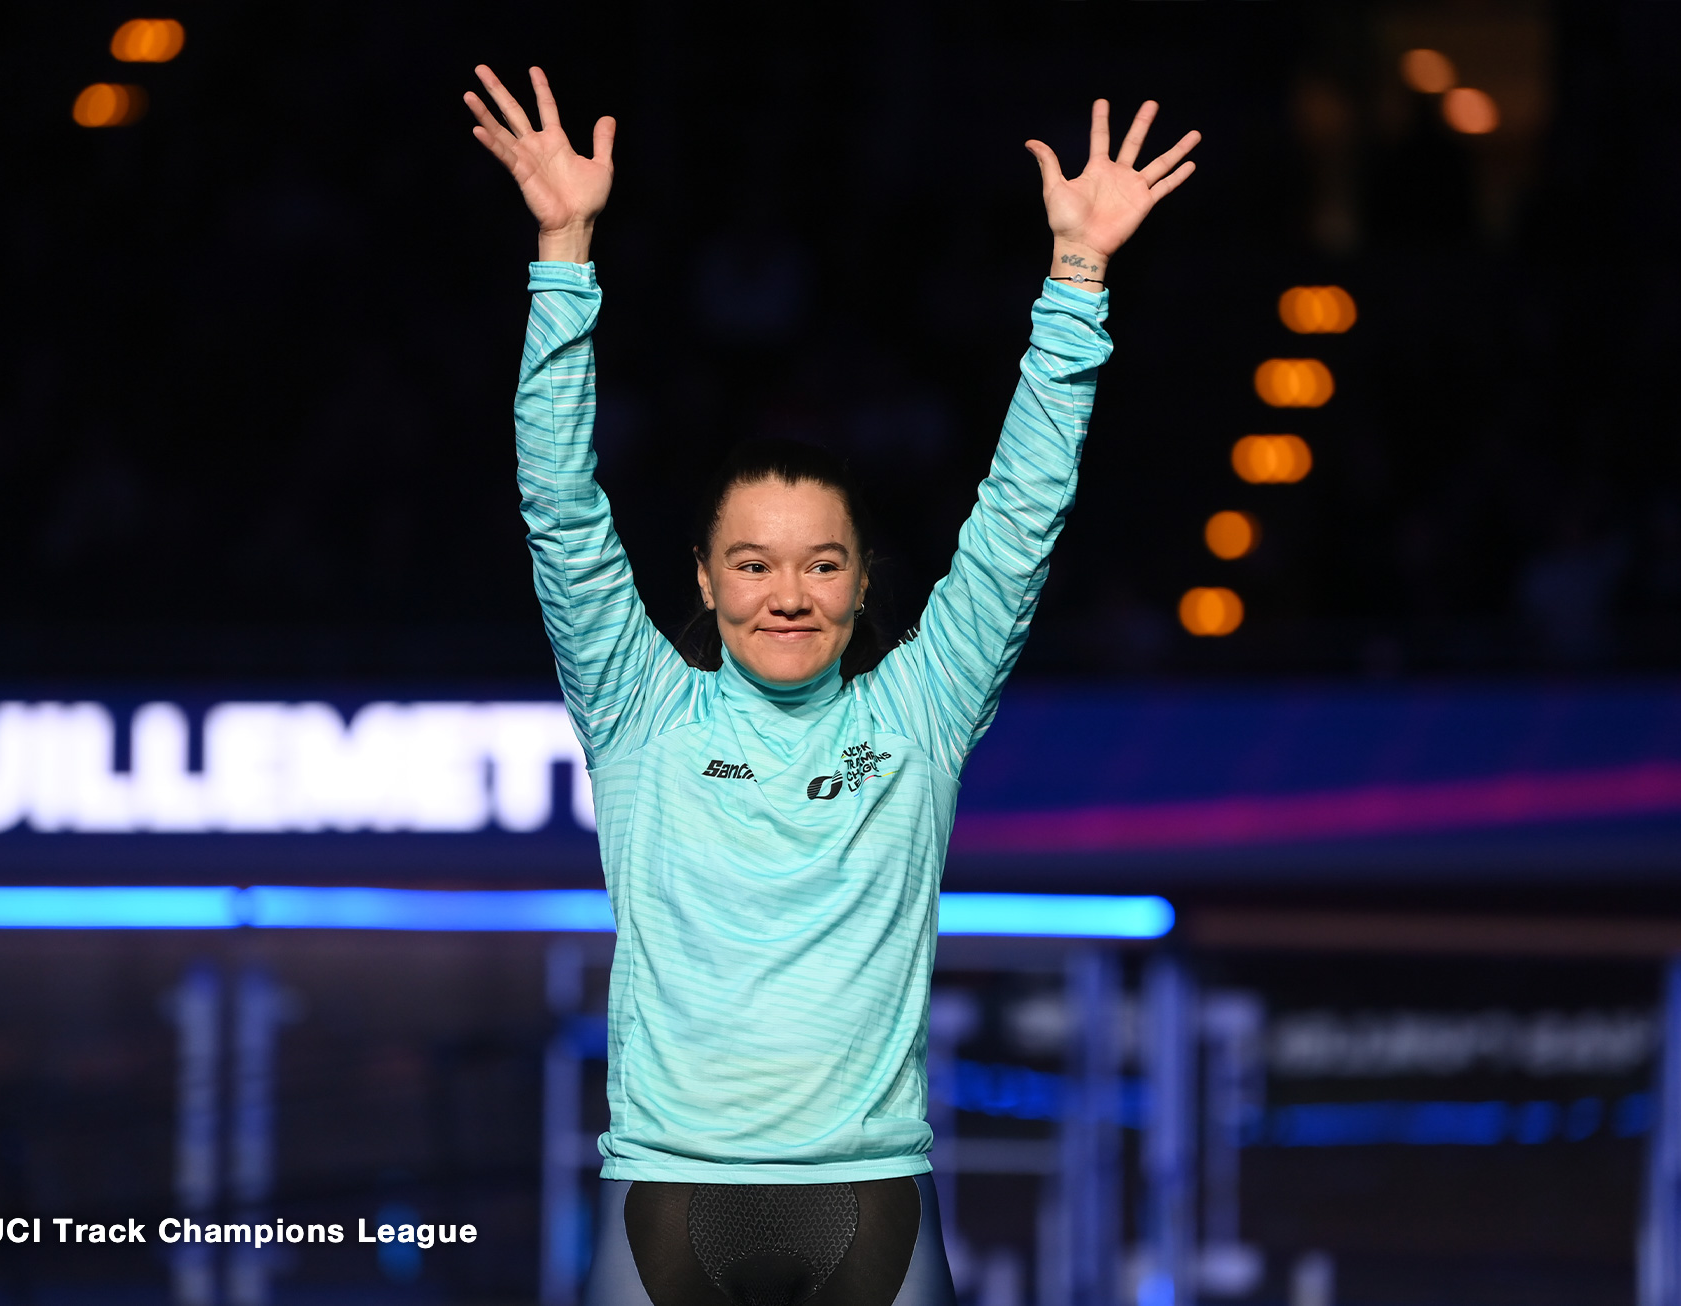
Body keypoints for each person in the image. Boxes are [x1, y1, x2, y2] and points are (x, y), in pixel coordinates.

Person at [464, 65, 1198, 1306]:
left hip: (874, 1209)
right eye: (752, 564)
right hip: (664, 1204)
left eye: (821, 564)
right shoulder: (640, 709)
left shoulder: (920, 711)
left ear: (864, 586)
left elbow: (1019, 519)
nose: (786, 594)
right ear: (700, 577)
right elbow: (559, 507)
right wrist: (562, 252)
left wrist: (1077, 280)